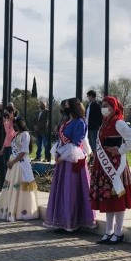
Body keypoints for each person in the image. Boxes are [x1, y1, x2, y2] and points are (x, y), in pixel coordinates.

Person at [90, 95, 131, 244]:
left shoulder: (118, 123)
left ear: (114, 107)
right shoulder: (104, 123)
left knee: (117, 198)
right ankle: (109, 231)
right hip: (104, 165)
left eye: (107, 105)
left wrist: (120, 150)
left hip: (115, 165)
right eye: (102, 105)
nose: (103, 108)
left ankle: (118, 232)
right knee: (108, 198)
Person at [44, 98, 96, 233]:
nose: (64, 108)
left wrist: (63, 156)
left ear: (73, 107)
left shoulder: (80, 122)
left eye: (66, 106)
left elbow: (76, 143)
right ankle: (63, 221)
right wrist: (57, 153)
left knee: (72, 191)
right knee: (63, 191)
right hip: (63, 160)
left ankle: (74, 221)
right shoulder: (67, 122)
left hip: (73, 161)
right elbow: (61, 141)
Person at [0, 116, 40, 220]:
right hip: (13, 164)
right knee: (12, 186)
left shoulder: (25, 134)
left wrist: (13, 161)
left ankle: (22, 212)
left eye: (15, 124)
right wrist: (10, 161)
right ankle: (11, 210)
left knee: (21, 186)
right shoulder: (17, 134)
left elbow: (23, 152)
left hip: (21, 164)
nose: (13, 126)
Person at [0, 103, 18, 188]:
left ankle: (12, 183)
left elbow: (10, 133)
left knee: (11, 166)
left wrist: (5, 123)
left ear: (12, 112)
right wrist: (2, 148)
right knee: (5, 165)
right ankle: (7, 183)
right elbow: (7, 135)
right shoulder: (8, 121)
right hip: (7, 145)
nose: (6, 115)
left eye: (7, 113)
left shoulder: (15, 122)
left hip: (12, 146)